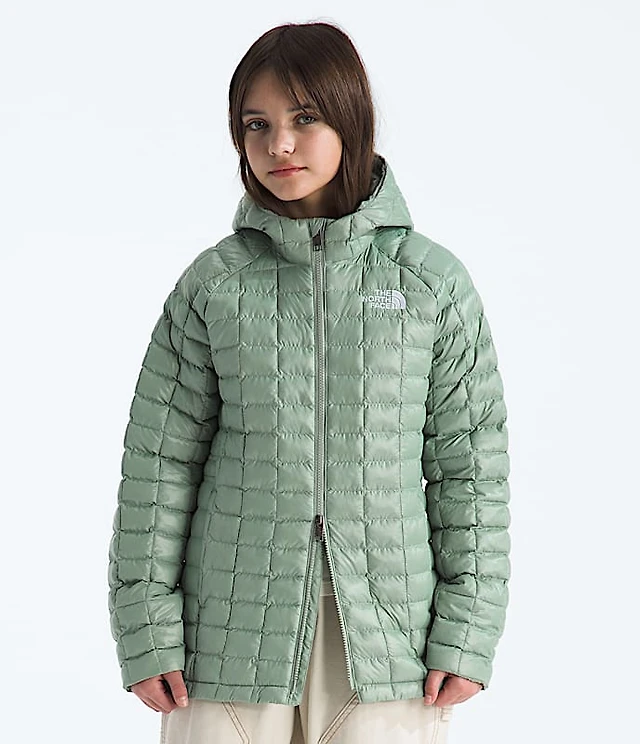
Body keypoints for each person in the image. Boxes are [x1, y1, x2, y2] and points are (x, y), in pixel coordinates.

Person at [107, 20, 511, 744]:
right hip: (223, 640)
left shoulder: (429, 284)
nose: (278, 145)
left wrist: (469, 629)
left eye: (304, 118)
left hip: (390, 643)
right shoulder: (215, 285)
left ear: (351, 120)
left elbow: (470, 469)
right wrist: (146, 628)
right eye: (256, 125)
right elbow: (159, 464)